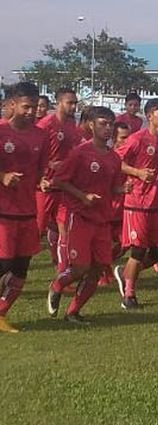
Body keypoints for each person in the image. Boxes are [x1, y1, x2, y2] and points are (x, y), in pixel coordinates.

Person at [47, 107, 129, 324]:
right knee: (81, 266)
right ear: (91, 125)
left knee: (98, 269)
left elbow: (111, 187)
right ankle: (57, 285)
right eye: (102, 123)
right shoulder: (80, 153)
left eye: (110, 124)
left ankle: (73, 312)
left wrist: (123, 189)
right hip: (80, 217)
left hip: (102, 220)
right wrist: (82, 196)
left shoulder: (113, 158)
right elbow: (59, 180)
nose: (107, 128)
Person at [113, 98, 158, 310]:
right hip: (137, 201)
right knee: (138, 251)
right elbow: (114, 162)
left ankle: (124, 273)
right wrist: (137, 172)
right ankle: (129, 294)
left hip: (157, 202)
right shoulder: (137, 139)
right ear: (149, 116)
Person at [0, 82, 49, 333]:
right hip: (3, 212)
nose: (31, 112)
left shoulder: (41, 135)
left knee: (21, 267)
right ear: (12, 105)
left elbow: (41, 167)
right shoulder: (1, 131)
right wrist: (3, 176)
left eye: (34, 107)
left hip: (28, 210)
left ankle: (1, 313)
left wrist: (42, 180)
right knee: (4, 264)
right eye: (26, 107)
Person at [35, 88, 81, 271]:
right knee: (37, 231)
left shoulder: (72, 127)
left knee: (65, 230)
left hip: (63, 187)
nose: (73, 106)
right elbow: (33, 153)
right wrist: (46, 169)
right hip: (44, 187)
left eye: (75, 103)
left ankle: (62, 272)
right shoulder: (45, 124)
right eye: (70, 102)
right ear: (58, 103)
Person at [98, 121, 131, 287]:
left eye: (129, 138)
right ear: (114, 139)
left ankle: (103, 267)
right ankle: (101, 272)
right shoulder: (109, 157)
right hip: (109, 207)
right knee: (105, 244)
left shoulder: (130, 155)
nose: (127, 141)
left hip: (124, 208)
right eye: (123, 138)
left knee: (125, 243)